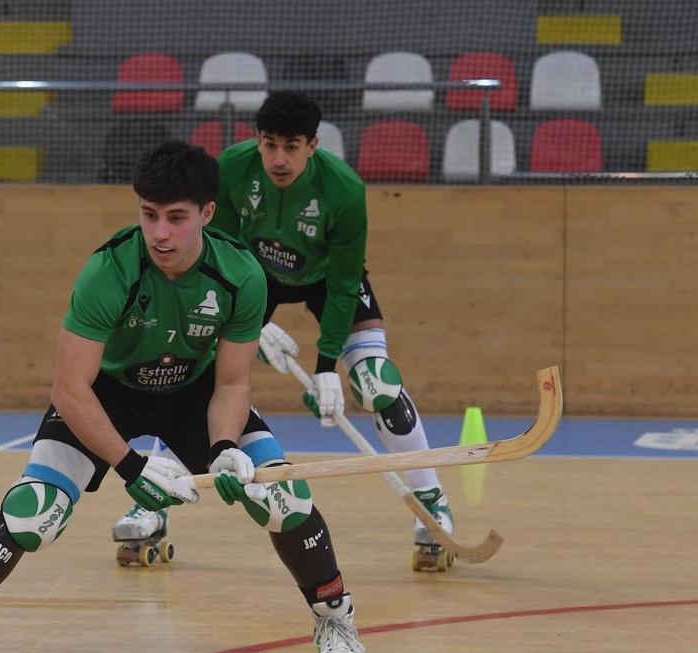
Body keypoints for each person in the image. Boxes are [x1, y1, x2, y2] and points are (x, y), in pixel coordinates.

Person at [0, 141, 365, 653]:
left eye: (176, 217)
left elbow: (232, 386)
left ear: (207, 214)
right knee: (32, 510)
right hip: (106, 396)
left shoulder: (242, 274)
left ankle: (334, 621)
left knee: (284, 495)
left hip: (194, 394)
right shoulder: (109, 270)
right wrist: (129, 465)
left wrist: (221, 450)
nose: (160, 233)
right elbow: (70, 388)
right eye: (149, 215)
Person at [113, 91, 454, 569]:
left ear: (313, 145)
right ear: (256, 140)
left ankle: (432, 500)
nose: (278, 158)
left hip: (327, 281)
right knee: (191, 373)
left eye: (291, 146)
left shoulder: (344, 190)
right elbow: (220, 250)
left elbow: (344, 282)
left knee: (377, 381)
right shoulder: (231, 169)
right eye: (269, 144)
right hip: (252, 278)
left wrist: (327, 366)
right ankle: (154, 500)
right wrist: (257, 320)